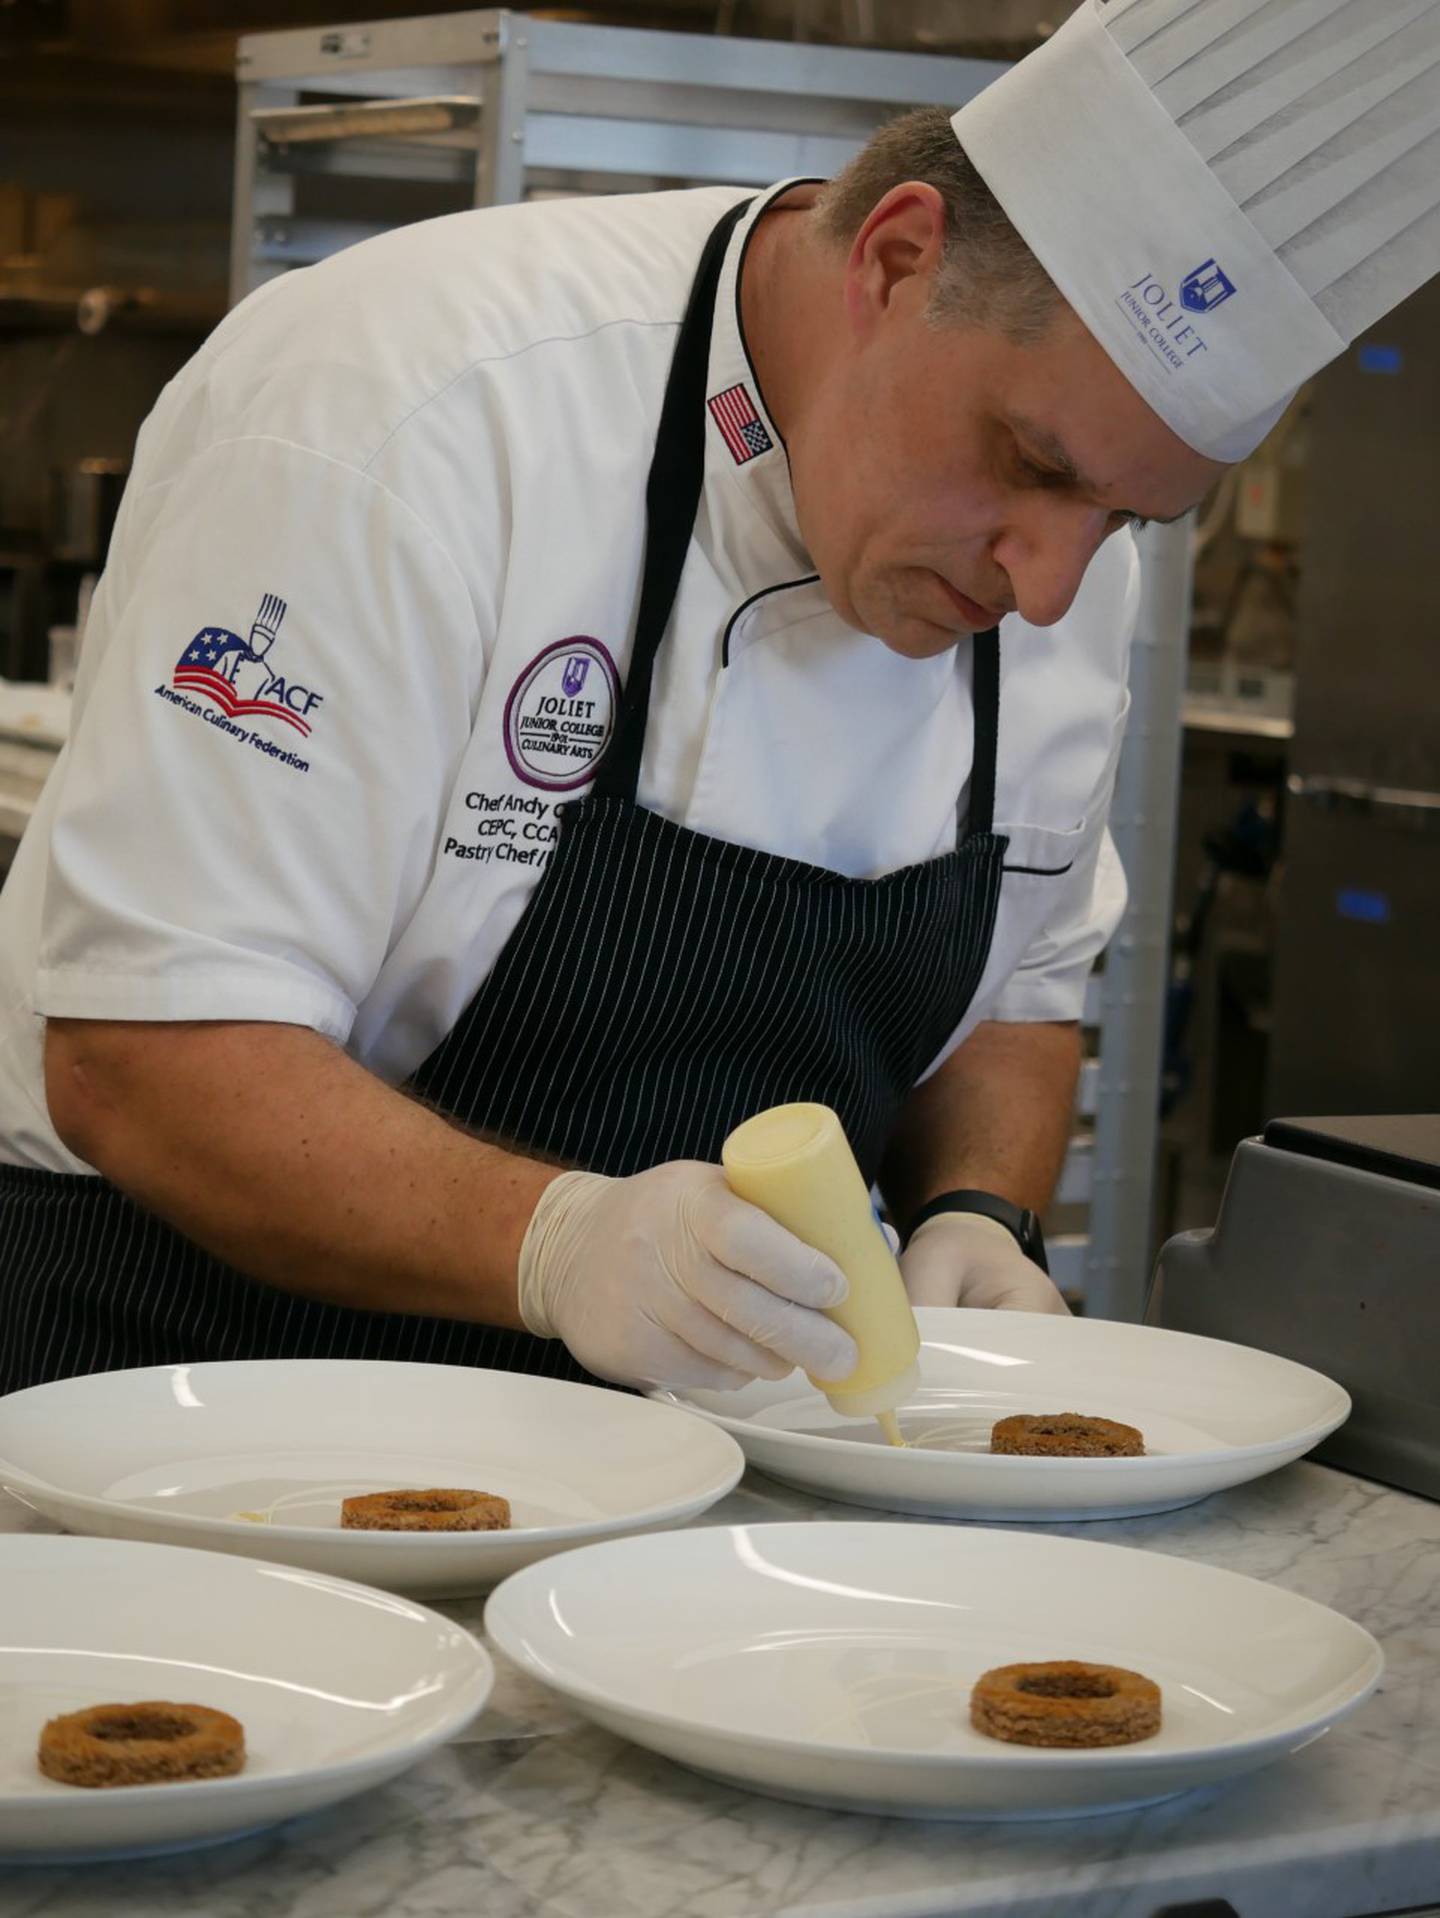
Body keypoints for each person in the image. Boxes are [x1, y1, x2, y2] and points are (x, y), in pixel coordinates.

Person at [1, 0, 1436, 1399]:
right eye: (1033, 462)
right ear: (894, 260)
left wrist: (975, 1216)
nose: (1052, 585)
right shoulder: (412, 412)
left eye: (1128, 520)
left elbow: (1023, 984)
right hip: (183, 1382)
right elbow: (142, 1056)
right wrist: (559, 1243)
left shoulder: (1056, 558)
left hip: (673, 1460)